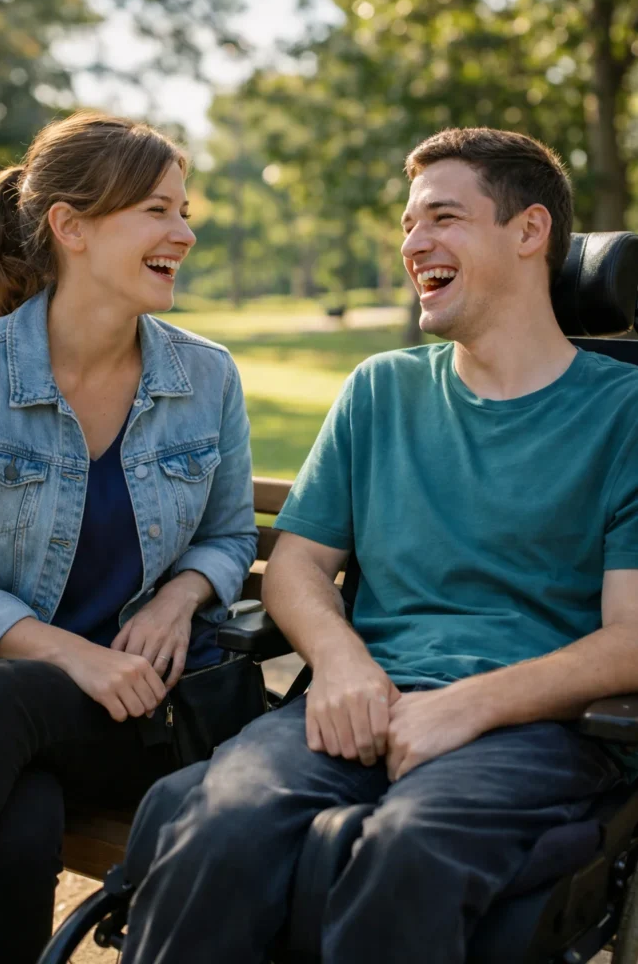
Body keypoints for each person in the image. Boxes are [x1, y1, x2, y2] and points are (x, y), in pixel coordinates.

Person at [120, 127, 638, 964]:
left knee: (408, 850)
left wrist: (465, 706)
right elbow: (297, 564)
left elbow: (631, 639)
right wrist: (343, 663)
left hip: (540, 731)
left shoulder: (624, 413)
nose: (413, 244)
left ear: (529, 230)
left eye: (441, 218)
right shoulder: (380, 390)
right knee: (222, 825)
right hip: (356, 705)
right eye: (406, 225)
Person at [0, 110, 257, 964]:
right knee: (19, 831)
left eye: (184, 209)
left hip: (147, 718)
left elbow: (231, 534)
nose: (184, 232)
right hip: (8, 714)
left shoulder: (205, 376)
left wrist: (181, 594)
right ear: (71, 227)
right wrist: (75, 655)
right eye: (157, 210)